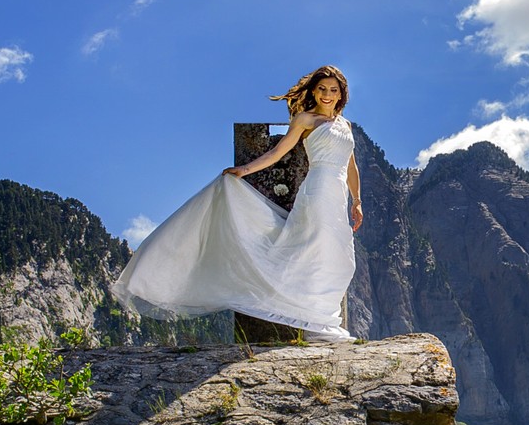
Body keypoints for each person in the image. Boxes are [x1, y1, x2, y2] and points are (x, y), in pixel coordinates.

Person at [113, 65, 362, 340]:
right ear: (314, 92)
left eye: (333, 90)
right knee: (314, 249)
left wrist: (357, 201)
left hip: (338, 196)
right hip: (317, 192)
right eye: (322, 89)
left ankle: (321, 320)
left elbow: (351, 166)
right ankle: (317, 326)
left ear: (341, 95)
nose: (327, 95)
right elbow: (278, 153)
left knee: (338, 257)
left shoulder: (345, 125)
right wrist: (244, 170)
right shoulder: (305, 120)